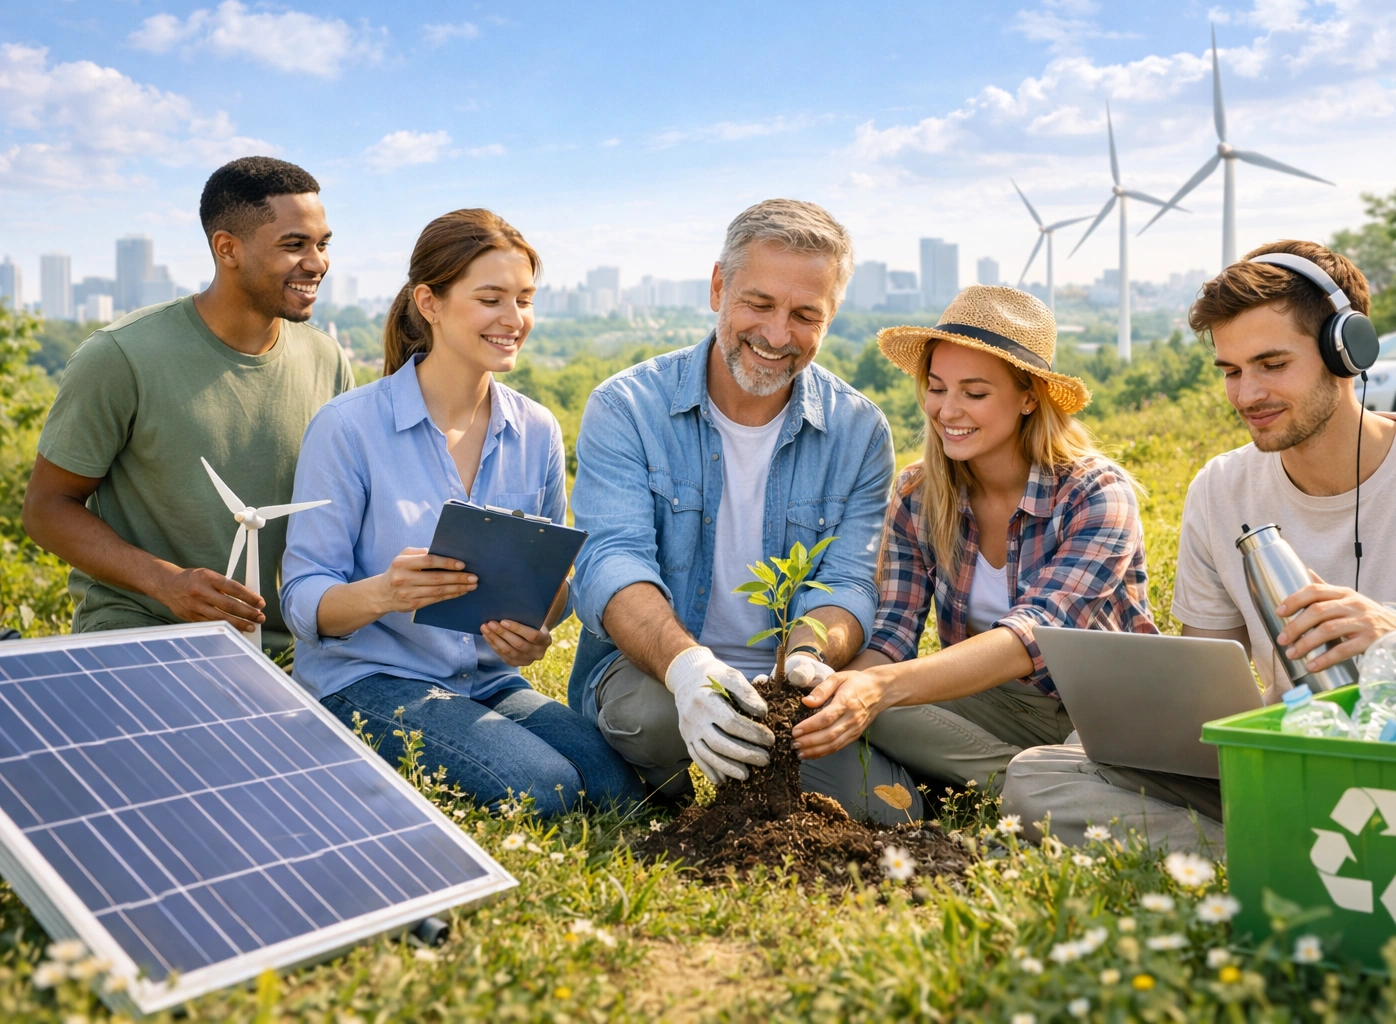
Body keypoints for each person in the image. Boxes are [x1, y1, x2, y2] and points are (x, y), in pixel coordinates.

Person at [1003, 240, 1396, 855]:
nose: (1246, 394)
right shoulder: (1219, 488)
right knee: (1040, 775)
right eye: (1231, 371)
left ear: (1347, 352)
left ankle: (1276, 854)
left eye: (1272, 364)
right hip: (1290, 763)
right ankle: (1294, 853)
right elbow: (1206, 687)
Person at [279, 209, 642, 816]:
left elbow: (553, 585)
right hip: (367, 679)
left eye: (524, 299)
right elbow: (302, 598)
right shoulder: (348, 427)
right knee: (545, 787)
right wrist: (385, 592)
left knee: (621, 787)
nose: (514, 319)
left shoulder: (537, 430)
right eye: (491, 299)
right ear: (430, 303)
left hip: (488, 680)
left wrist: (534, 633)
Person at [567, 198, 913, 822]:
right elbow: (611, 563)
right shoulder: (627, 408)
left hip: (784, 693)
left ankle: (740, 777)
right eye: (759, 304)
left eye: (805, 315)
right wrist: (688, 668)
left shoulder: (860, 431)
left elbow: (850, 581)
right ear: (718, 287)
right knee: (651, 721)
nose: (777, 336)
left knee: (890, 809)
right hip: (657, 674)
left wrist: (808, 654)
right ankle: (672, 783)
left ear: (830, 317)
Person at [790, 286, 1156, 796]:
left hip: (1098, 710)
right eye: (937, 388)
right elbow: (893, 634)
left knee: (879, 698)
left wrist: (880, 687)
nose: (947, 410)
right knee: (850, 703)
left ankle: (1027, 783)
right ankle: (1036, 783)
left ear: (1029, 397)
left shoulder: (1094, 493)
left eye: (975, 393)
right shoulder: (918, 496)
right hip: (993, 702)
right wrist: (832, 686)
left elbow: (1035, 633)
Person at [24, 157, 352, 655]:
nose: (317, 263)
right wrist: (167, 583)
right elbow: (46, 509)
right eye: (294, 245)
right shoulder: (120, 356)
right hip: (143, 633)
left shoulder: (327, 359)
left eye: (322, 244)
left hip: (291, 648)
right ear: (228, 248)